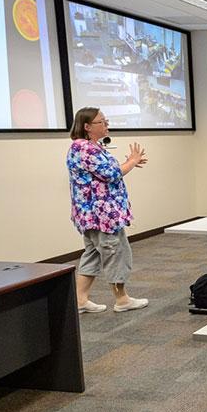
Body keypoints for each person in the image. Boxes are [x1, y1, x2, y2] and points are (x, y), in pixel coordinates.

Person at [66, 107, 149, 314]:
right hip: (102, 215)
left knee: (93, 253)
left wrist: (129, 164)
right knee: (115, 252)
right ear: (87, 127)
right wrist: (131, 161)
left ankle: (80, 299)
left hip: (95, 215)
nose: (106, 124)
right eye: (102, 122)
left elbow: (105, 173)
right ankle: (122, 299)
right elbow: (111, 174)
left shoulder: (89, 147)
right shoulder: (84, 148)